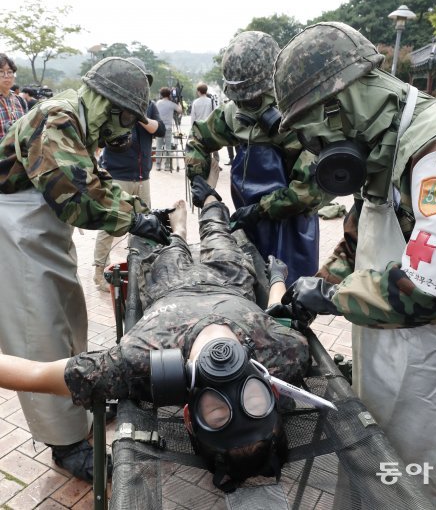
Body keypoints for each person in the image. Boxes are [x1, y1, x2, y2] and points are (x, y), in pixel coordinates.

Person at [270, 21, 436, 509]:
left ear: (340, 104)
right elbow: (359, 243)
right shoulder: (386, 148)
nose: (313, 151)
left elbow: (427, 290)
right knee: (378, 473)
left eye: (310, 132)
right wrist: (310, 290)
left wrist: (332, 298)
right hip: (399, 348)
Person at [0, 160, 309, 491]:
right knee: (219, 229)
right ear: (272, 389)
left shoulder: (140, 363)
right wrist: (278, 280)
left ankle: (179, 229)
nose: (227, 375)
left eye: (218, 412)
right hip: (230, 280)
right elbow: (277, 314)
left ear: (189, 415)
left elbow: (33, 375)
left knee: (172, 243)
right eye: (253, 402)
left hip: (171, 285)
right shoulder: (285, 355)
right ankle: (207, 197)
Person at [0, 56, 172, 483]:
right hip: (14, 231)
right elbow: (77, 195)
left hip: (38, 231)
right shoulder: (55, 119)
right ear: (106, 103)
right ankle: (66, 443)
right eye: (126, 117)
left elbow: (95, 178)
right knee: (37, 335)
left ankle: (81, 394)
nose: (126, 128)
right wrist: (133, 221)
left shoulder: (76, 122)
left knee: (70, 320)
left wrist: (142, 210)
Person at [186, 31, 332, 285]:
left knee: (289, 293)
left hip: (291, 225)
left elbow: (308, 191)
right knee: (249, 286)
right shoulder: (233, 115)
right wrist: (197, 177)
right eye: (241, 99)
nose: (246, 105)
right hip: (247, 223)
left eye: (253, 98)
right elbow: (198, 138)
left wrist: (261, 209)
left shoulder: (303, 118)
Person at [93, 57, 166, 292]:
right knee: (109, 225)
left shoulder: (149, 105)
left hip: (142, 176)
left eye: (143, 80)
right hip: (118, 175)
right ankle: (98, 273)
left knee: (145, 223)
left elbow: (160, 129)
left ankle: (144, 269)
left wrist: (141, 115)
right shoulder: (112, 104)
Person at [156, 86, 182, 172]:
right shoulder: (171, 104)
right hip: (168, 128)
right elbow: (180, 110)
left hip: (159, 127)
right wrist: (179, 102)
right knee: (168, 146)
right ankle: (167, 166)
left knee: (159, 147)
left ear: (161, 94)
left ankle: (158, 165)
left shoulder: (158, 103)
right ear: (169, 94)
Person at [0, 54, 25, 141]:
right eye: (1, 71)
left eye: (10, 72)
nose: (6, 76)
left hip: (19, 153)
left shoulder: (20, 101)